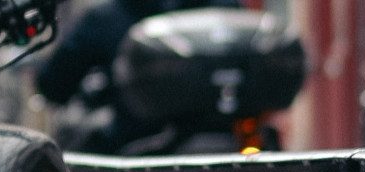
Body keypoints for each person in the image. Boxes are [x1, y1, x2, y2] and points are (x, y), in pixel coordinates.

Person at [35, 0, 238, 153]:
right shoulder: (223, 11)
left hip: (128, 152)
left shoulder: (105, 19)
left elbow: (53, 85)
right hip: (226, 150)